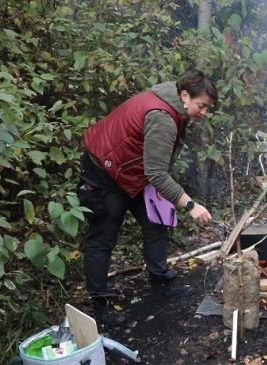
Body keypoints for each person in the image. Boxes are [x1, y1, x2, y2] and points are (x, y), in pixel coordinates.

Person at [78, 69, 217, 325]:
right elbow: (156, 172)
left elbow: (154, 164)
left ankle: (161, 282)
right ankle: (100, 304)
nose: (204, 113)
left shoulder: (172, 99)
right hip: (104, 171)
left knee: (157, 221)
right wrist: (190, 204)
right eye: (202, 106)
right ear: (185, 95)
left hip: (134, 170)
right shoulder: (162, 116)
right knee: (102, 237)